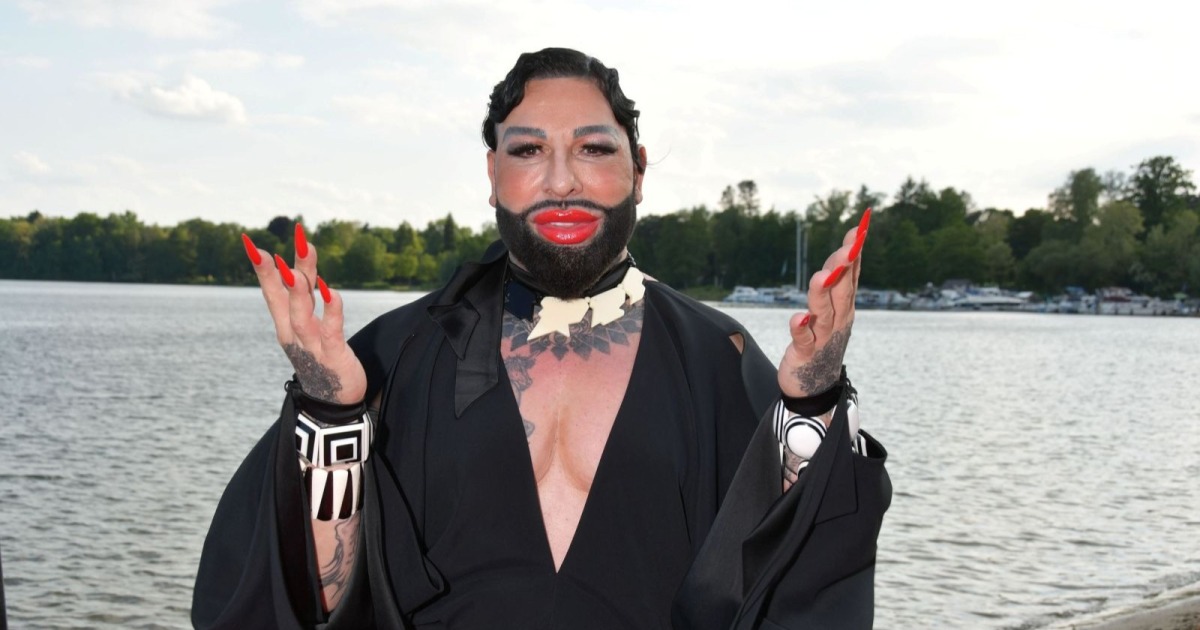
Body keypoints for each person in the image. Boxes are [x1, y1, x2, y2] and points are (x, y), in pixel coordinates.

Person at [193, 47, 889, 630]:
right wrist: (330, 410)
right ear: (492, 173)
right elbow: (315, 604)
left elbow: (789, 586)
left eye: (593, 148)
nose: (561, 181)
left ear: (638, 170)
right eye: (528, 149)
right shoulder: (392, 355)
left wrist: (811, 397)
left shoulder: (719, 356)